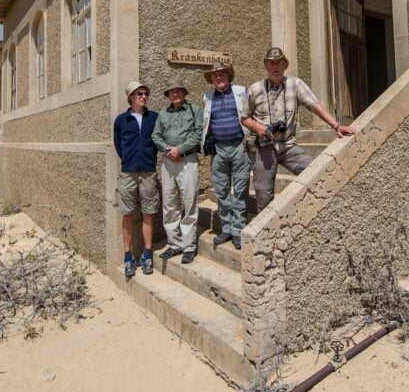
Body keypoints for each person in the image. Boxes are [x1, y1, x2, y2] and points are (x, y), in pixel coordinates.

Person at [241, 47, 355, 211]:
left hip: (288, 146)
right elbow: (244, 118)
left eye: (278, 62)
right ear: (266, 66)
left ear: (284, 65)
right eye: (271, 63)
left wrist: (337, 125)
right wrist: (258, 127)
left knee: (316, 173)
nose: (275, 66)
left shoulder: (295, 84)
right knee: (263, 195)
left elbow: (315, 106)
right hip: (265, 147)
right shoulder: (255, 89)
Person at [151, 81, 204, 264]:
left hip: (187, 160)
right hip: (168, 162)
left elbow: (198, 134)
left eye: (179, 91)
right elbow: (156, 135)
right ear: (168, 95)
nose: (176, 94)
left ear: (184, 92)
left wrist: (179, 149)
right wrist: (168, 151)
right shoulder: (163, 114)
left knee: (189, 202)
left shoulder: (194, 110)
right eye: (172, 92)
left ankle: (189, 246)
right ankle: (174, 244)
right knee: (170, 203)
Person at [201, 61, 251, 250]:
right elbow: (206, 122)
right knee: (221, 191)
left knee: (240, 190)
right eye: (215, 75)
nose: (219, 77)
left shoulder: (241, 92)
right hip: (219, 150)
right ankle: (227, 229)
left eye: (222, 74)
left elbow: (250, 115)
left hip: (239, 146)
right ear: (212, 79)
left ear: (228, 76)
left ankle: (238, 230)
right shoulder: (207, 97)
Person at [112, 80, 159, 277]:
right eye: (139, 94)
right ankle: (128, 256)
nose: (143, 97)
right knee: (127, 213)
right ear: (131, 97)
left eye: (145, 94)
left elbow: (158, 140)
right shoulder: (121, 120)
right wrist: (130, 159)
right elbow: (118, 144)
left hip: (148, 171)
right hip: (128, 173)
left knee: (149, 212)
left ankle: (147, 255)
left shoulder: (154, 117)